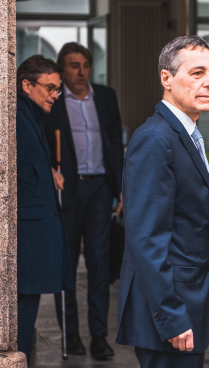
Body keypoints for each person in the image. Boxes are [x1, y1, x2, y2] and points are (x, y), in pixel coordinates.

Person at [116, 35, 209, 368]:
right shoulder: (155, 139)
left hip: (189, 302)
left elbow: (190, 231)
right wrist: (174, 316)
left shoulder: (186, 135)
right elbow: (146, 239)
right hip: (168, 314)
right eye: (197, 73)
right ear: (166, 78)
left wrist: (206, 305)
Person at [44, 43, 124, 359]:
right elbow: (40, 139)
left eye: (85, 65)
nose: (81, 72)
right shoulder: (53, 100)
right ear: (62, 70)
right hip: (69, 189)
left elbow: (115, 146)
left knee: (99, 264)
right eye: (74, 66)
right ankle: (72, 334)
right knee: (66, 263)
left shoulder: (105, 97)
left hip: (101, 190)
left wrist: (120, 189)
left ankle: (99, 335)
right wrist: (50, 169)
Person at [16, 55, 74, 363]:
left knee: (26, 310)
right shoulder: (16, 118)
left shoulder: (31, 115)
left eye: (58, 89)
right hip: (27, 239)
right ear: (27, 85)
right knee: (22, 318)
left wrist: (46, 170)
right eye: (50, 88)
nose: (55, 94)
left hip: (33, 236)